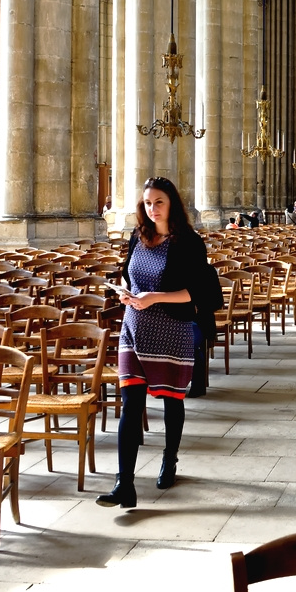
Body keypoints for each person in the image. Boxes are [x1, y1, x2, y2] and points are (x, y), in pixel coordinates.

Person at [98, 176, 212, 505]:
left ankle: (169, 458)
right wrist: (126, 294)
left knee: (171, 400)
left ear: (172, 203)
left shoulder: (188, 242)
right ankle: (125, 484)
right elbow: (128, 273)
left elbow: (196, 293)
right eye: (147, 203)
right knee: (130, 404)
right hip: (134, 328)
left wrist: (155, 298)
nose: (152, 209)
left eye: (158, 202)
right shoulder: (139, 236)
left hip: (171, 330)